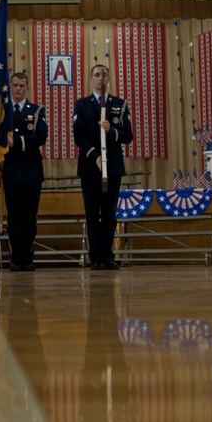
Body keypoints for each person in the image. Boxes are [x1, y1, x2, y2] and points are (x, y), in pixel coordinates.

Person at [0, 72, 48, 271]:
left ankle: (27, 258)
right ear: (10, 86)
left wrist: (16, 142)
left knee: (29, 217)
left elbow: (40, 137)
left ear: (27, 88)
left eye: (22, 86)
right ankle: (15, 258)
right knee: (14, 218)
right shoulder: (1, 111)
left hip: (31, 172)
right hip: (8, 171)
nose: (18, 89)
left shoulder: (36, 111)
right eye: (15, 85)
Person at [72, 64, 132, 270]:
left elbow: (128, 135)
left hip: (113, 166)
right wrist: (95, 156)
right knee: (92, 212)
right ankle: (95, 256)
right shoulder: (82, 105)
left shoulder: (119, 104)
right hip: (90, 166)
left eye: (104, 75)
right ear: (91, 80)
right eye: (96, 75)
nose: (100, 78)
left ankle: (108, 255)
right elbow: (79, 135)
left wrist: (111, 131)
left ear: (109, 78)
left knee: (108, 213)